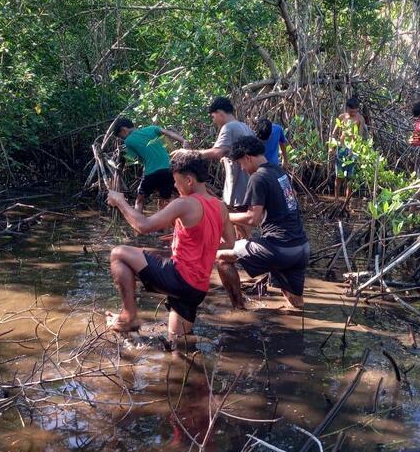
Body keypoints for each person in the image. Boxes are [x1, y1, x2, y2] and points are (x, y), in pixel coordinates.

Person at [106, 151, 235, 343]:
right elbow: (230, 243)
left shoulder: (185, 203)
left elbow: (142, 226)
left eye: (176, 181)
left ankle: (128, 317)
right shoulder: (220, 206)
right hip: (197, 289)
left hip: (180, 279)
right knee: (178, 344)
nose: (174, 185)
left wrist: (120, 201)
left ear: (189, 180)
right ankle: (198, 348)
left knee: (118, 254)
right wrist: (198, 243)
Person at [216, 136, 309, 310]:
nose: (243, 169)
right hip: (301, 248)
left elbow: (252, 218)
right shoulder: (279, 170)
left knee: (221, 258)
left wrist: (222, 216)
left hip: (278, 248)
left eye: (241, 164)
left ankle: (239, 308)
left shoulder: (258, 177)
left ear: (247, 157)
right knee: (295, 303)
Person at [198, 97, 254, 238]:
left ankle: (242, 253)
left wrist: (191, 154)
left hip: (238, 184)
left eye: (213, 116)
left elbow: (218, 151)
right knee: (242, 221)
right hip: (248, 182)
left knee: (238, 219)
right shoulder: (244, 126)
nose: (213, 120)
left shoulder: (228, 127)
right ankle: (242, 251)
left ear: (220, 113)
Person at [113, 118, 189, 211]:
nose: (122, 138)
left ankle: (138, 223)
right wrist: (183, 140)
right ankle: (179, 219)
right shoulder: (152, 128)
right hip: (168, 170)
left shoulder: (128, 141)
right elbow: (168, 133)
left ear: (123, 130)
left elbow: (138, 159)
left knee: (139, 200)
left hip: (151, 173)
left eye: (121, 136)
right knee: (167, 198)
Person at [329, 98, 367, 201]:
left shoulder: (360, 119)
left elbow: (360, 136)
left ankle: (347, 201)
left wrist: (355, 147)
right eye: (351, 111)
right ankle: (336, 199)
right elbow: (334, 133)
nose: (353, 113)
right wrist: (332, 147)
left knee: (350, 177)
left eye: (355, 111)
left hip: (353, 150)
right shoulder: (342, 117)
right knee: (339, 176)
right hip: (341, 149)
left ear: (357, 109)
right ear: (347, 109)